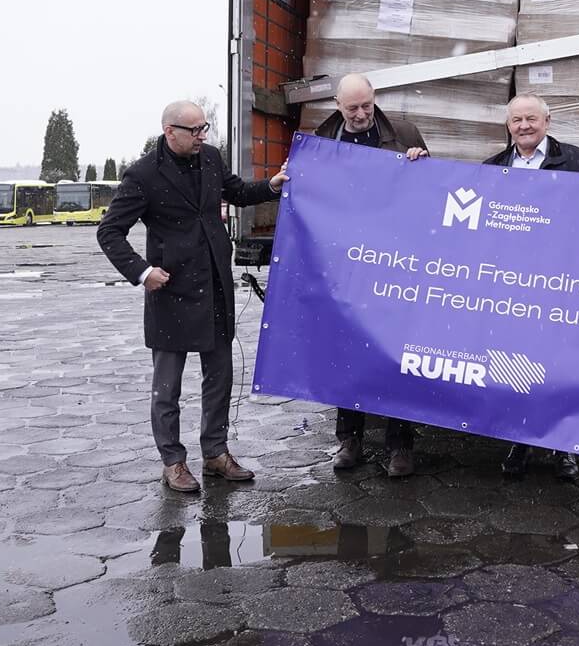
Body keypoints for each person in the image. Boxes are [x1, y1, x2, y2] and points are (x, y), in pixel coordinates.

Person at [97, 100, 288, 494]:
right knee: (168, 388)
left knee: (220, 376)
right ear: (170, 132)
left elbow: (235, 191)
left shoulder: (211, 158)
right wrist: (142, 271)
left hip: (215, 285)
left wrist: (270, 186)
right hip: (171, 292)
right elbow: (109, 232)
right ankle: (173, 461)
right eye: (195, 130)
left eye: (205, 128)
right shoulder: (143, 174)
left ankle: (216, 453)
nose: (203, 136)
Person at [312, 72, 429, 478]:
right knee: (348, 353)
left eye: (366, 105)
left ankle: (400, 446)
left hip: (394, 263)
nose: (361, 114)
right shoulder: (322, 141)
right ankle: (351, 441)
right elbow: (311, 196)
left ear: (374, 99)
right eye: (352, 108)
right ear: (338, 106)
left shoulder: (404, 132)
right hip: (344, 264)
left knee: (394, 354)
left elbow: (430, 193)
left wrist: (421, 164)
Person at [482, 94, 579, 481]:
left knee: (560, 364)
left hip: (560, 281)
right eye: (517, 120)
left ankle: (564, 445)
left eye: (531, 118)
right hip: (513, 285)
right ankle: (520, 438)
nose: (524, 126)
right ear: (508, 125)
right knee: (515, 363)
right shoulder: (492, 168)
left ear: (547, 121)